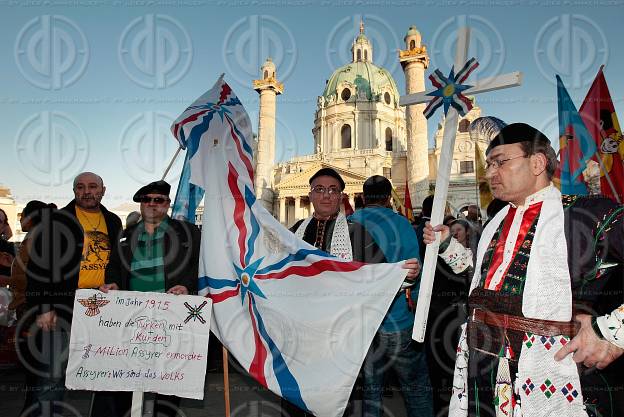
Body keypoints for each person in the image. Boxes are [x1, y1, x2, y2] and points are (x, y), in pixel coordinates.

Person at [424, 123, 624, 417]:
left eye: (501, 162)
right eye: (489, 164)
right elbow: (485, 284)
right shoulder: (496, 223)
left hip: (549, 372)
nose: (490, 173)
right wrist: (446, 246)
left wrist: (611, 332)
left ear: (538, 163)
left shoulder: (586, 215)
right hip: (481, 371)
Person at [285, 168, 421, 417]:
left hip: (342, 336)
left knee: (342, 400)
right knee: (298, 397)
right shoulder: (293, 232)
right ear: (310, 194)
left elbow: (377, 277)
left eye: (333, 190)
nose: (326, 195)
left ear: (341, 197)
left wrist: (404, 277)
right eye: (319, 189)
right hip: (301, 333)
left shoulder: (356, 233)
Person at [98, 180, 201, 417]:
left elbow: (200, 266)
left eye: (159, 200)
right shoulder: (126, 235)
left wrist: (186, 286)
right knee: (126, 380)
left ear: (167, 205)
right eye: (147, 200)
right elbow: (113, 267)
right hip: (131, 318)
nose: (152, 204)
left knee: (168, 382)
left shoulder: (188, 232)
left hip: (170, 319)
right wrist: (112, 282)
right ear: (141, 204)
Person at [24, 172, 122, 417]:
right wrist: (45, 307)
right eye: (80, 187)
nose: (86, 191)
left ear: (103, 190)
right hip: (63, 308)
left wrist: (115, 283)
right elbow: (39, 267)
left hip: (101, 308)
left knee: (104, 374)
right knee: (52, 376)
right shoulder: (57, 220)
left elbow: (117, 262)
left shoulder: (112, 221)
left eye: (92, 187)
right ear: (74, 191)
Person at [348, 175, 433, 417]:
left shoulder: (347, 224)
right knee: (415, 388)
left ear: (364, 197)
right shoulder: (402, 224)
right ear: (388, 198)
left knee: (371, 391)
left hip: (363, 322)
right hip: (399, 319)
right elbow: (414, 270)